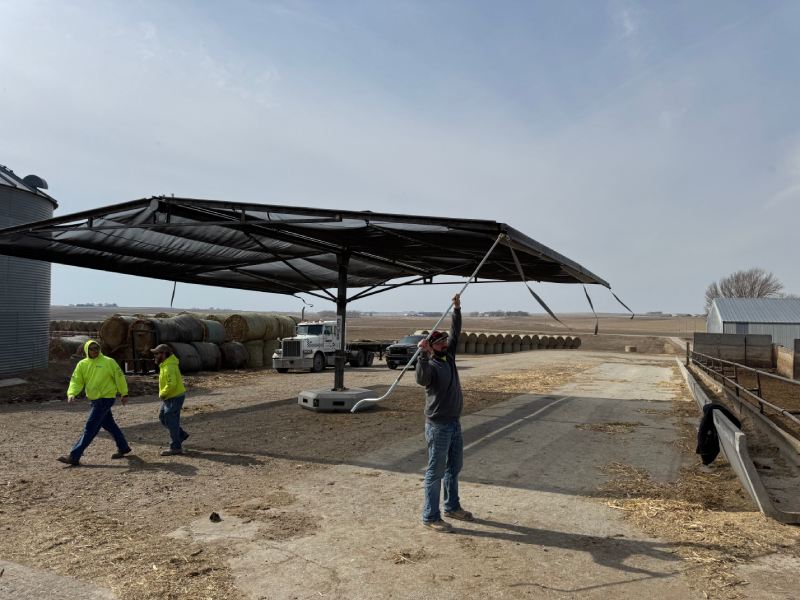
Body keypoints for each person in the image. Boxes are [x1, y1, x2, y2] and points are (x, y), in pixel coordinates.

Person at [415, 293, 473, 532]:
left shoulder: (449, 358)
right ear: (432, 346)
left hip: (454, 423)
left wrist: (457, 309)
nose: (445, 344)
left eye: (446, 342)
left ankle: (452, 506)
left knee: (454, 467)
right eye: (440, 343)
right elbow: (421, 380)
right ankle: (431, 516)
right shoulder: (431, 366)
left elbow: (455, 330)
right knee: (435, 471)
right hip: (438, 426)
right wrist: (422, 354)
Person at [58, 340, 131, 466]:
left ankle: (74, 456)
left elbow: (119, 377)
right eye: (91, 348)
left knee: (90, 428)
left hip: (105, 399)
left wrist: (124, 393)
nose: (94, 350)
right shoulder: (82, 364)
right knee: (109, 425)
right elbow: (76, 380)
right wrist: (72, 393)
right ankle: (123, 447)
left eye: (96, 348)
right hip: (94, 399)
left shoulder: (109, 362)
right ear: (87, 350)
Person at [151, 343, 189, 456]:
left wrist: (162, 393)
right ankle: (180, 435)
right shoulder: (165, 364)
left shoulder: (169, 367)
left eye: (157, 353)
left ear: (164, 354)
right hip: (170, 397)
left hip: (174, 397)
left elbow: (171, 384)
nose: (155, 356)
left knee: (170, 419)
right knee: (163, 417)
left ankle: (176, 447)